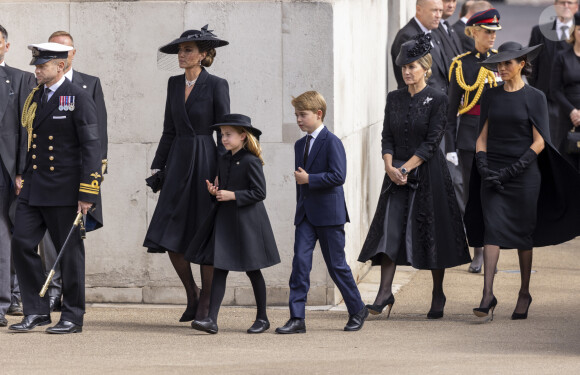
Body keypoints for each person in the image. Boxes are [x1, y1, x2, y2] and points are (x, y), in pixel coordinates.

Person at [465, 42, 580, 321]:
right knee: (492, 229)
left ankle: (524, 292)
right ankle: (487, 294)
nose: (501, 68)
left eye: (507, 64)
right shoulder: (490, 95)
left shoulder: (535, 96)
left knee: (522, 235)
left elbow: (540, 141)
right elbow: (482, 136)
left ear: (521, 64)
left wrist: (513, 170)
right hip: (492, 172)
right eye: (499, 64)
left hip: (525, 176)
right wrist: (482, 163)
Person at [359, 34, 470, 320]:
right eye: (403, 67)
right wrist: (389, 167)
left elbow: (432, 143)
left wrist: (405, 168)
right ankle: (384, 292)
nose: (407, 71)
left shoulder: (438, 98)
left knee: (431, 233)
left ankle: (437, 292)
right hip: (395, 174)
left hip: (428, 174)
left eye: (412, 66)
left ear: (425, 68)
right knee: (389, 231)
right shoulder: (393, 98)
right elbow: (386, 137)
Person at [9, 42, 102, 333]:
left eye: (42, 65)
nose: (36, 70)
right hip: (35, 187)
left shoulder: (77, 97)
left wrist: (88, 191)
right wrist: (23, 173)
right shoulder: (35, 96)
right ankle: (36, 311)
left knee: (69, 252)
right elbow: (31, 140)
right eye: (36, 64)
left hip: (65, 189)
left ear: (60, 66)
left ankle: (72, 315)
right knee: (21, 243)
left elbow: (91, 146)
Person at [143, 26, 230, 323]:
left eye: (188, 50)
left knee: (203, 232)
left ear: (203, 55)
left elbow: (223, 132)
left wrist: (223, 172)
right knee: (169, 233)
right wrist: (159, 166)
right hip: (178, 161)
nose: (182, 55)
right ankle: (192, 293)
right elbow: (168, 128)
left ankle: (206, 300)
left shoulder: (218, 84)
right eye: (180, 50)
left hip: (206, 159)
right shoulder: (172, 84)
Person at [275, 91, 368, 334]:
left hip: (329, 214)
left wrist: (310, 179)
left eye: (302, 115)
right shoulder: (299, 144)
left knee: (337, 266)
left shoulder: (332, 141)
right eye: (296, 115)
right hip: (305, 214)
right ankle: (297, 318)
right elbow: (300, 183)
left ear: (318, 114)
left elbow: (339, 176)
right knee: (300, 265)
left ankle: (357, 309)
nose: (298, 119)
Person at [187, 114, 280, 334]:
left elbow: (260, 192)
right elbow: (223, 189)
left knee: (252, 270)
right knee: (220, 268)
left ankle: (262, 318)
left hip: (248, 223)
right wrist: (215, 193)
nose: (223, 138)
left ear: (243, 136)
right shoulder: (224, 159)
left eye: (228, 134)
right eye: (221, 134)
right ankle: (211, 320)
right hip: (226, 221)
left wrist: (233, 195)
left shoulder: (251, 161)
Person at [36, 30, 109, 312]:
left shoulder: (88, 84)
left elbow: (97, 136)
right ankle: (52, 293)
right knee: (47, 240)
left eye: (64, 50)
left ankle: (70, 298)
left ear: (72, 55)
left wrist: (92, 182)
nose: (60, 55)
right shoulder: (38, 90)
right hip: (46, 179)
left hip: (76, 177)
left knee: (71, 240)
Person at [446, 9, 501, 273]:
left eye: (494, 33)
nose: (492, 37)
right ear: (474, 31)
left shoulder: (501, 62)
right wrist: (449, 146)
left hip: (496, 136)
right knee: (471, 196)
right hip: (468, 135)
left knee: (493, 193)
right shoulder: (461, 64)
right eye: (488, 32)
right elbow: (450, 111)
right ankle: (477, 248)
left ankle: (492, 246)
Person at [0, 24, 36, 327]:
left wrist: (22, 171)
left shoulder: (21, 79)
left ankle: (5, 301)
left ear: (6, 46)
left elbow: (28, 130)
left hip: (7, 171)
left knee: (7, 234)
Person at [528, 0, 579, 150]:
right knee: (546, 147)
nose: (566, 6)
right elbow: (531, 66)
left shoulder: (579, 33)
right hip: (546, 101)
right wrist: (538, 90)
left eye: (570, 2)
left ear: (577, 6)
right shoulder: (539, 31)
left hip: (574, 105)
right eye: (562, 2)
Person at [390, 0, 450, 93]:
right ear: (419, 9)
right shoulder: (407, 36)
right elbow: (409, 81)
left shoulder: (433, 32)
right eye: (434, 10)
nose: (438, 15)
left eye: (440, 11)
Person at [551, 11, 580, 169]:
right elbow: (554, 89)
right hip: (568, 118)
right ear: (574, 31)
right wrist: (572, 112)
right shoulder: (562, 57)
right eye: (579, 29)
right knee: (568, 166)